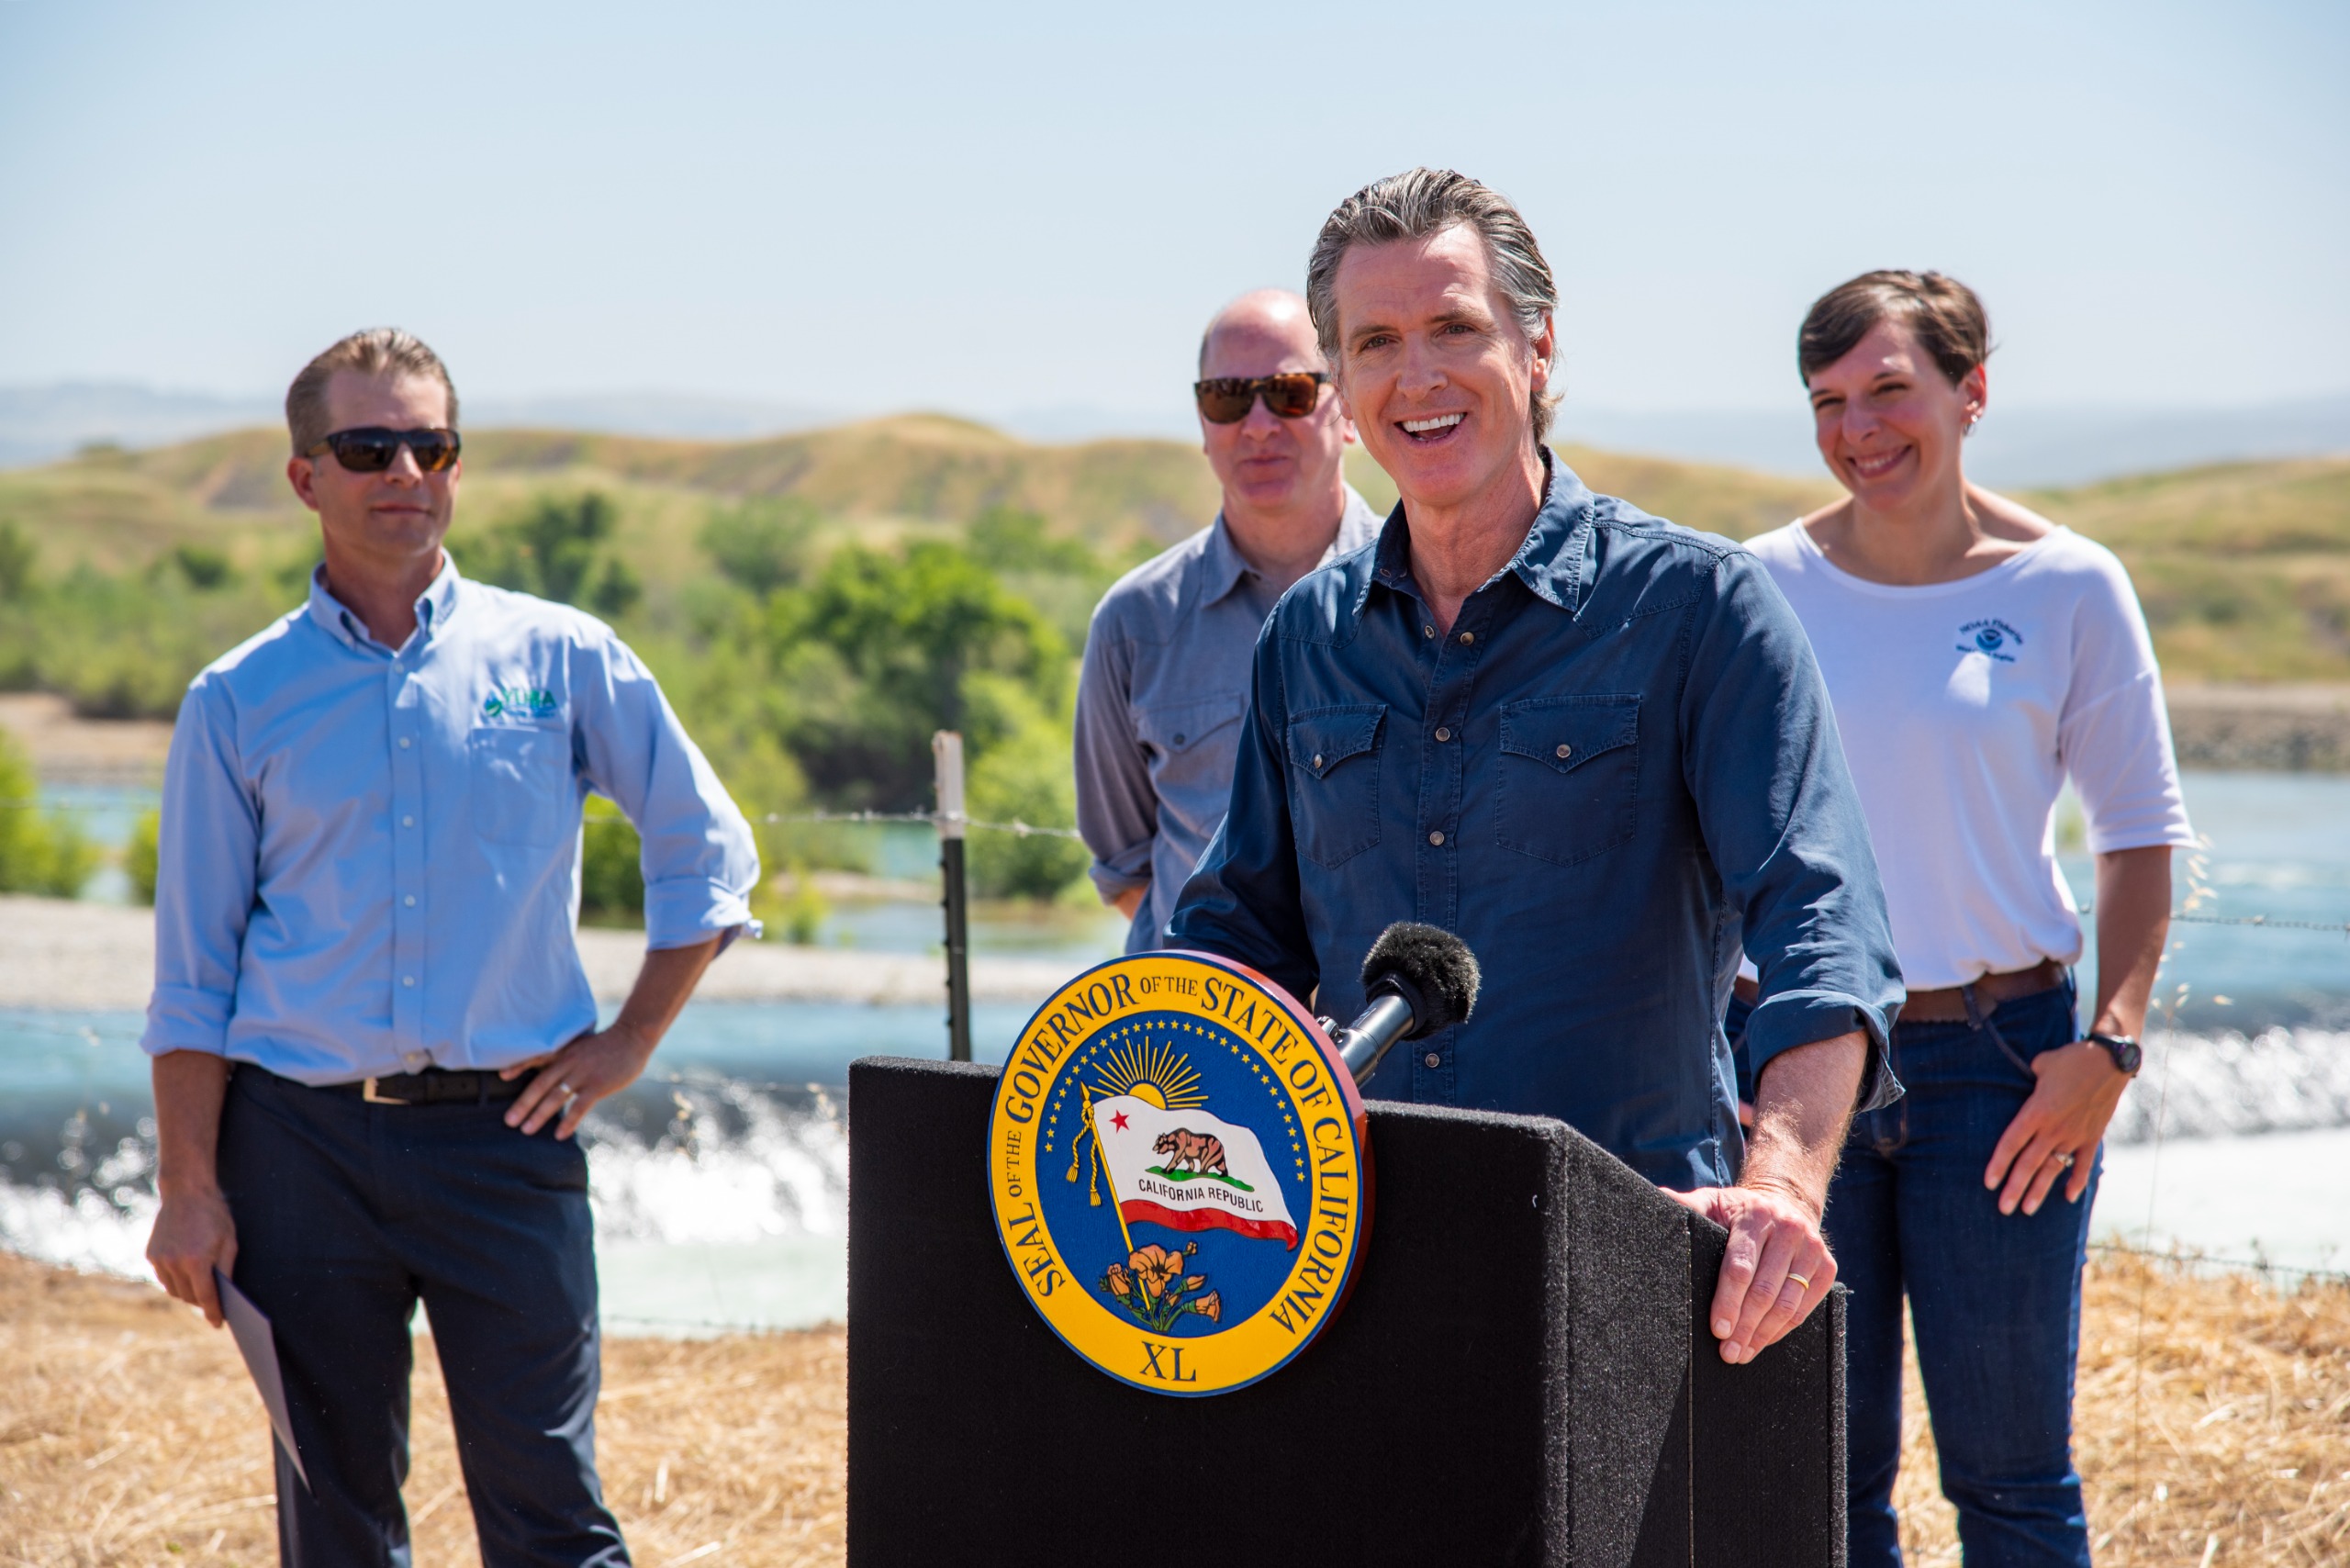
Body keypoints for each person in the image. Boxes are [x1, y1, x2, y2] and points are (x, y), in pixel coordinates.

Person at [1168, 169, 1906, 1365]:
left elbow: (1822, 915)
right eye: (1377, 343)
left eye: (1455, 327)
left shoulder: (1698, 610)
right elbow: (1233, 935)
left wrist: (1782, 1188)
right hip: (1356, 1267)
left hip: (1644, 1262)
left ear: (1539, 347)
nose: (1418, 375)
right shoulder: (1305, 640)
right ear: (1345, 392)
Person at [141, 328, 760, 1568]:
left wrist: (629, 1040)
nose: (407, 471)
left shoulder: (561, 655)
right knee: (339, 1526)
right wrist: (189, 1186)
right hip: (298, 1151)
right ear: (307, 477)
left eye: (433, 444)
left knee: (551, 1515)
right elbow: (194, 972)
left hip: (507, 1145)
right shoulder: (237, 698)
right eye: (370, 446)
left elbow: (709, 849)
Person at [1741, 272, 2188, 1566]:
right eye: (1829, 402)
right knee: (1822, 1481)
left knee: (2010, 1481)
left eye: (1890, 390)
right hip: (1800, 1069)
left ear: (1971, 390)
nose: (1859, 429)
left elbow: (2140, 833)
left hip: (2001, 1073)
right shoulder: (1761, 586)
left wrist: (2107, 1046)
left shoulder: (2068, 588)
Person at [1074, 289, 1382, 951]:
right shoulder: (1134, 624)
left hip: (1381, 1037)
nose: (1260, 423)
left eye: (1291, 391)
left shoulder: (1431, 598)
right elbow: (1127, 870)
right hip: (1195, 1040)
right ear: (1203, 422)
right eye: (1228, 397)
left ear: (1349, 409)